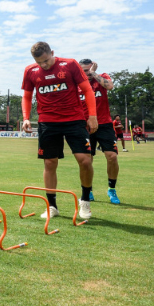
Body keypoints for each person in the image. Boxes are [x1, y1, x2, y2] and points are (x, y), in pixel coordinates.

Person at [21, 42, 98, 220]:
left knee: (85, 160)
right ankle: (52, 206)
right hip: (48, 122)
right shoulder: (30, 71)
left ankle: (85, 200)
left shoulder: (70, 64)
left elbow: (87, 90)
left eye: (46, 61)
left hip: (74, 120)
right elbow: (26, 95)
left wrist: (92, 115)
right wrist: (26, 117)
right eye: (39, 62)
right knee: (49, 163)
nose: (43, 65)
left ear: (52, 53)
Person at [78, 59, 121, 204]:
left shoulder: (101, 77)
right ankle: (88, 190)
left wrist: (94, 73)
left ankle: (111, 189)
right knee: (87, 160)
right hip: (85, 127)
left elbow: (110, 86)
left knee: (112, 157)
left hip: (104, 124)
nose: (87, 73)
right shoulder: (76, 84)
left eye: (89, 70)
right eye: (84, 70)